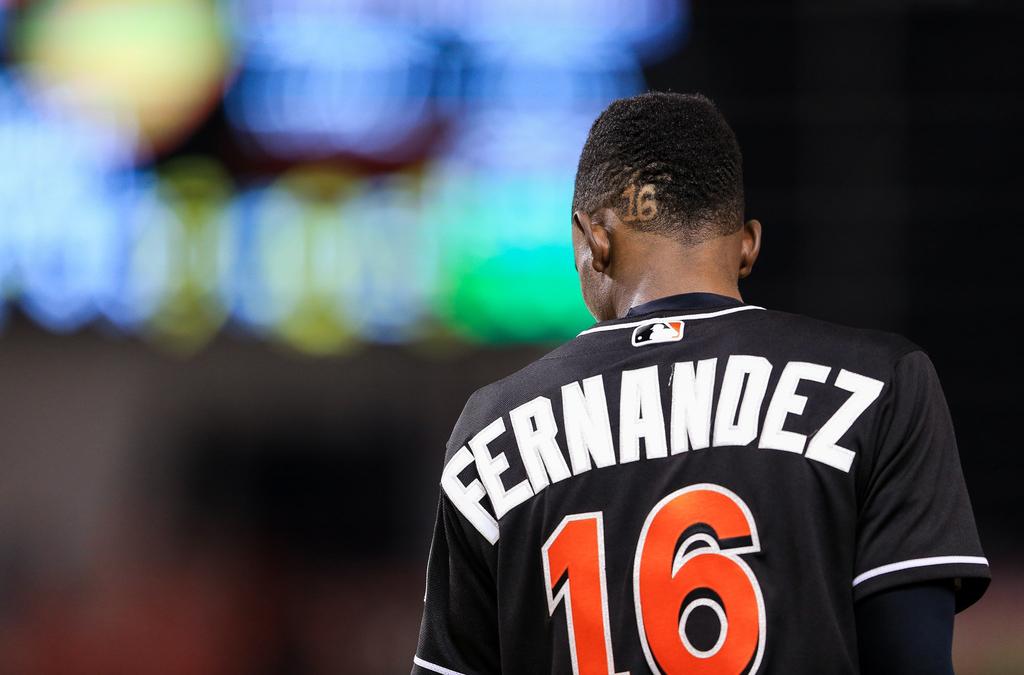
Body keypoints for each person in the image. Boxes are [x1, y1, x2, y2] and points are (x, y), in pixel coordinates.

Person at [411, 92, 989, 674]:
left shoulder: (493, 429)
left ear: (593, 240)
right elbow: (912, 655)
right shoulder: (879, 383)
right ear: (748, 245)